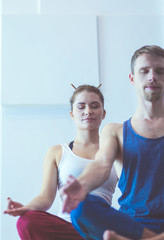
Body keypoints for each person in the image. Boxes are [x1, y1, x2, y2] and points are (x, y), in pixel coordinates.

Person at [60, 45, 164, 240]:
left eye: (160, 71)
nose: (152, 76)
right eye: (144, 71)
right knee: (81, 207)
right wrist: (81, 185)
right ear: (132, 79)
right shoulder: (115, 131)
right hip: (132, 226)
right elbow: (101, 165)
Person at [4, 84, 118, 240]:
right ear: (72, 114)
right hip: (67, 230)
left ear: (103, 113)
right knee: (26, 221)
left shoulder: (115, 152)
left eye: (94, 106)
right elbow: (45, 197)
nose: (88, 111)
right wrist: (25, 208)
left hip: (100, 229)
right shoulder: (57, 152)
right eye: (81, 107)